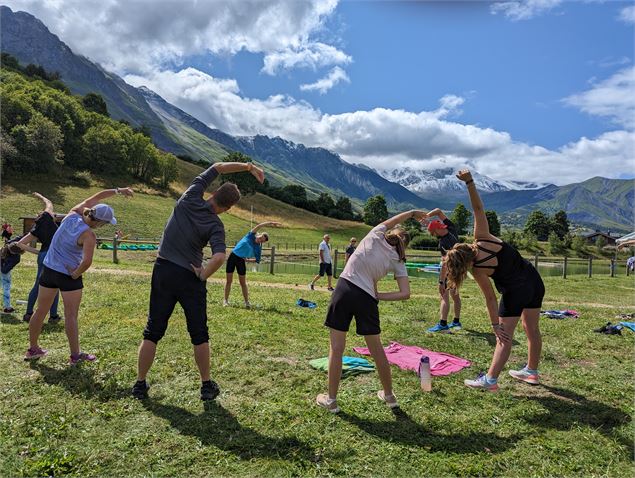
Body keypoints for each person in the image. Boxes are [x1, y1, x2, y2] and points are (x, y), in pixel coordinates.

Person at [132, 161, 265, 401]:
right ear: (228, 208)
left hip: (163, 270)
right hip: (189, 277)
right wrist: (202, 274)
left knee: (152, 331)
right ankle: (206, 385)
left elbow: (218, 166)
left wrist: (248, 167)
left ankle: (140, 384)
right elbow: (220, 257)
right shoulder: (216, 225)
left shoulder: (190, 196)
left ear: (213, 193)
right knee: (199, 333)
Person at [316, 209, 426, 413]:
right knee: (377, 351)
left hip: (344, 289)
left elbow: (392, 220)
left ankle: (331, 400)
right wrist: (379, 295)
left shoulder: (375, 234)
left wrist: (412, 213)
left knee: (336, 347)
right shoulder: (399, 259)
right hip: (367, 298)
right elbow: (405, 293)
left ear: (392, 232)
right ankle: (390, 396)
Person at [445, 170, 545, 391]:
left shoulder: (479, 270)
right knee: (532, 329)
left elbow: (490, 298)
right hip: (534, 281)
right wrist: (469, 182)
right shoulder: (482, 237)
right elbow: (478, 209)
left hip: (515, 291)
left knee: (504, 337)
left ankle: (490, 380)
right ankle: (532, 371)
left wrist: (494, 326)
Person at [24, 187, 134, 364]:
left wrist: (119, 190)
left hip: (49, 270)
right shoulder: (88, 235)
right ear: (99, 223)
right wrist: (75, 274)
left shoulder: (73, 213)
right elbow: (87, 262)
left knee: (40, 310)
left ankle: (33, 349)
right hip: (68, 275)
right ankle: (75, 355)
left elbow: (98, 196)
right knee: (71, 315)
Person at [17, 193, 63, 324]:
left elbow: (20, 244)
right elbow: (49, 203)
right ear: (48, 216)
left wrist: (38, 252)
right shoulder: (49, 217)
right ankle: (53, 316)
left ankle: (28, 313)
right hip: (54, 256)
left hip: (43, 255)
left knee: (38, 285)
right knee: (54, 286)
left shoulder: (35, 230)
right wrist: (40, 196)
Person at [224, 221, 281, 308]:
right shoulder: (250, 235)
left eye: (262, 240)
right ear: (260, 235)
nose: (260, 239)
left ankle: (247, 302)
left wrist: (247, 260)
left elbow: (257, 260)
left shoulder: (258, 248)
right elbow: (260, 225)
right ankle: (225, 301)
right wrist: (270, 223)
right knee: (229, 281)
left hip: (241, 261)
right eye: (261, 237)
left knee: (243, 283)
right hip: (233, 257)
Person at [424, 208, 462, 333]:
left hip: (450, 270)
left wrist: (441, 281)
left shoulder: (444, 243)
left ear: (437, 230)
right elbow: (439, 211)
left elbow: (445, 264)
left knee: (444, 296)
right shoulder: (452, 229)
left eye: (433, 233)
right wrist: (427, 216)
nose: (433, 235)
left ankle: (443, 325)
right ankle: (456, 321)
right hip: (459, 269)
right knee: (455, 296)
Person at [1, 223, 20, 314]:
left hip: (2, 266)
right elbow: (4, 270)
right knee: (6, 288)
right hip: (4, 270)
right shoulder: (16, 258)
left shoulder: (6, 246)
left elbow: (17, 238)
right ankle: (7, 307)